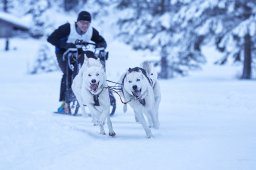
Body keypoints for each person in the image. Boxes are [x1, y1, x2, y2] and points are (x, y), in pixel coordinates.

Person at [47, 11, 107, 113]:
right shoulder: (67, 28)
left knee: (86, 71)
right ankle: (65, 103)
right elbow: (51, 39)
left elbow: (103, 42)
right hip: (63, 52)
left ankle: (93, 93)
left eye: (87, 23)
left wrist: (100, 45)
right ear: (77, 22)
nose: (85, 25)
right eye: (82, 22)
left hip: (78, 53)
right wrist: (65, 44)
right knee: (68, 72)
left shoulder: (92, 31)